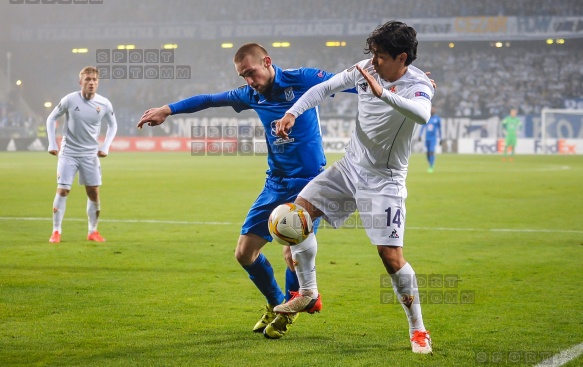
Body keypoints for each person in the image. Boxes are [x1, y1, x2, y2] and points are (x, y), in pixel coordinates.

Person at [136, 43, 352, 339]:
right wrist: (167, 109)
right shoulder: (250, 94)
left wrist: (399, 87)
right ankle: (276, 302)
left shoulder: (301, 79)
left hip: (308, 184)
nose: (249, 81)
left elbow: (347, 80)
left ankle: (290, 310)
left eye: (251, 73)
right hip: (275, 183)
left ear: (266, 61)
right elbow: (210, 99)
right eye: (243, 76)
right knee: (244, 254)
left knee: (292, 252)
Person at [274, 21, 434, 354]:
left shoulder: (417, 84)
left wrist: (384, 94)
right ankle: (308, 293)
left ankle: (418, 330)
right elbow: (325, 88)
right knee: (297, 215)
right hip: (349, 167)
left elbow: (422, 115)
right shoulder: (364, 69)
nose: (373, 62)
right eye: (372, 54)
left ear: (402, 57)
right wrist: (292, 112)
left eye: (381, 56)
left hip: (384, 180)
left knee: (390, 258)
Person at [47, 66, 118, 244]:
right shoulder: (70, 100)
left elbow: (113, 125)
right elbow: (51, 118)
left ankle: (93, 231)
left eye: (94, 79)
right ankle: (56, 231)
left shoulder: (104, 104)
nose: (91, 82)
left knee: (93, 192)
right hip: (68, 152)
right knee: (63, 189)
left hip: (90, 155)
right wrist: (51, 143)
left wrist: (106, 147)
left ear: (98, 82)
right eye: (87, 79)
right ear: (81, 82)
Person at [418, 106, 442, 173]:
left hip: (433, 139)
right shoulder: (427, 117)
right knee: (428, 153)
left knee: (431, 152)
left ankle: (431, 166)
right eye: (432, 109)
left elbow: (440, 130)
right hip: (427, 138)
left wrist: (441, 138)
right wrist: (420, 135)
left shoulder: (437, 119)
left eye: (434, 109)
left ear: (435, 110)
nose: (432, 110)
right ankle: (430, 164)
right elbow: (423, 126)